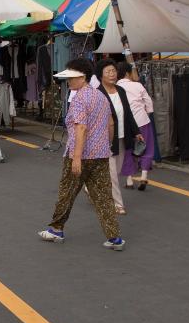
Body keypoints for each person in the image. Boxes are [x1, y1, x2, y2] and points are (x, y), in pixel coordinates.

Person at [38, 59, 124, 250]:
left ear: (82, 77)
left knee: (66, 192)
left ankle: (56, 229)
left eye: (71, 77)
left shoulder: (79, 98)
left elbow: (81, 128)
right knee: (103, 197)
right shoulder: (101, 96)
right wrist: (106, 144)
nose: (68, 81)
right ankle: (114, 237)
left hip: (80, 154)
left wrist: (76, 157)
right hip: (101, 154)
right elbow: (110, 123)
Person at [95, 59, 138, 216]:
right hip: (105, 140)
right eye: (108, 72)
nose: (112, 74)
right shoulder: (97, 94)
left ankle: (89, 187)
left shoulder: (121, 91)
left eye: (113, 71)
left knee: (117, 170)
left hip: (121, 137)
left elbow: (128, 113)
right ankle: (118, 204)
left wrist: (137, 132)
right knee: (112, 173)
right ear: (101, 75)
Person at [118, 63, 155, 190]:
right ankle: (144, 175)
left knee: (128, 150)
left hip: (125, 124)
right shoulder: (138, 85)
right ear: (128, 73)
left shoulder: (115, 87)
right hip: (142, 121)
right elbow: (149, 102)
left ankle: (129, 181)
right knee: (146, 148)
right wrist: (147, 112)